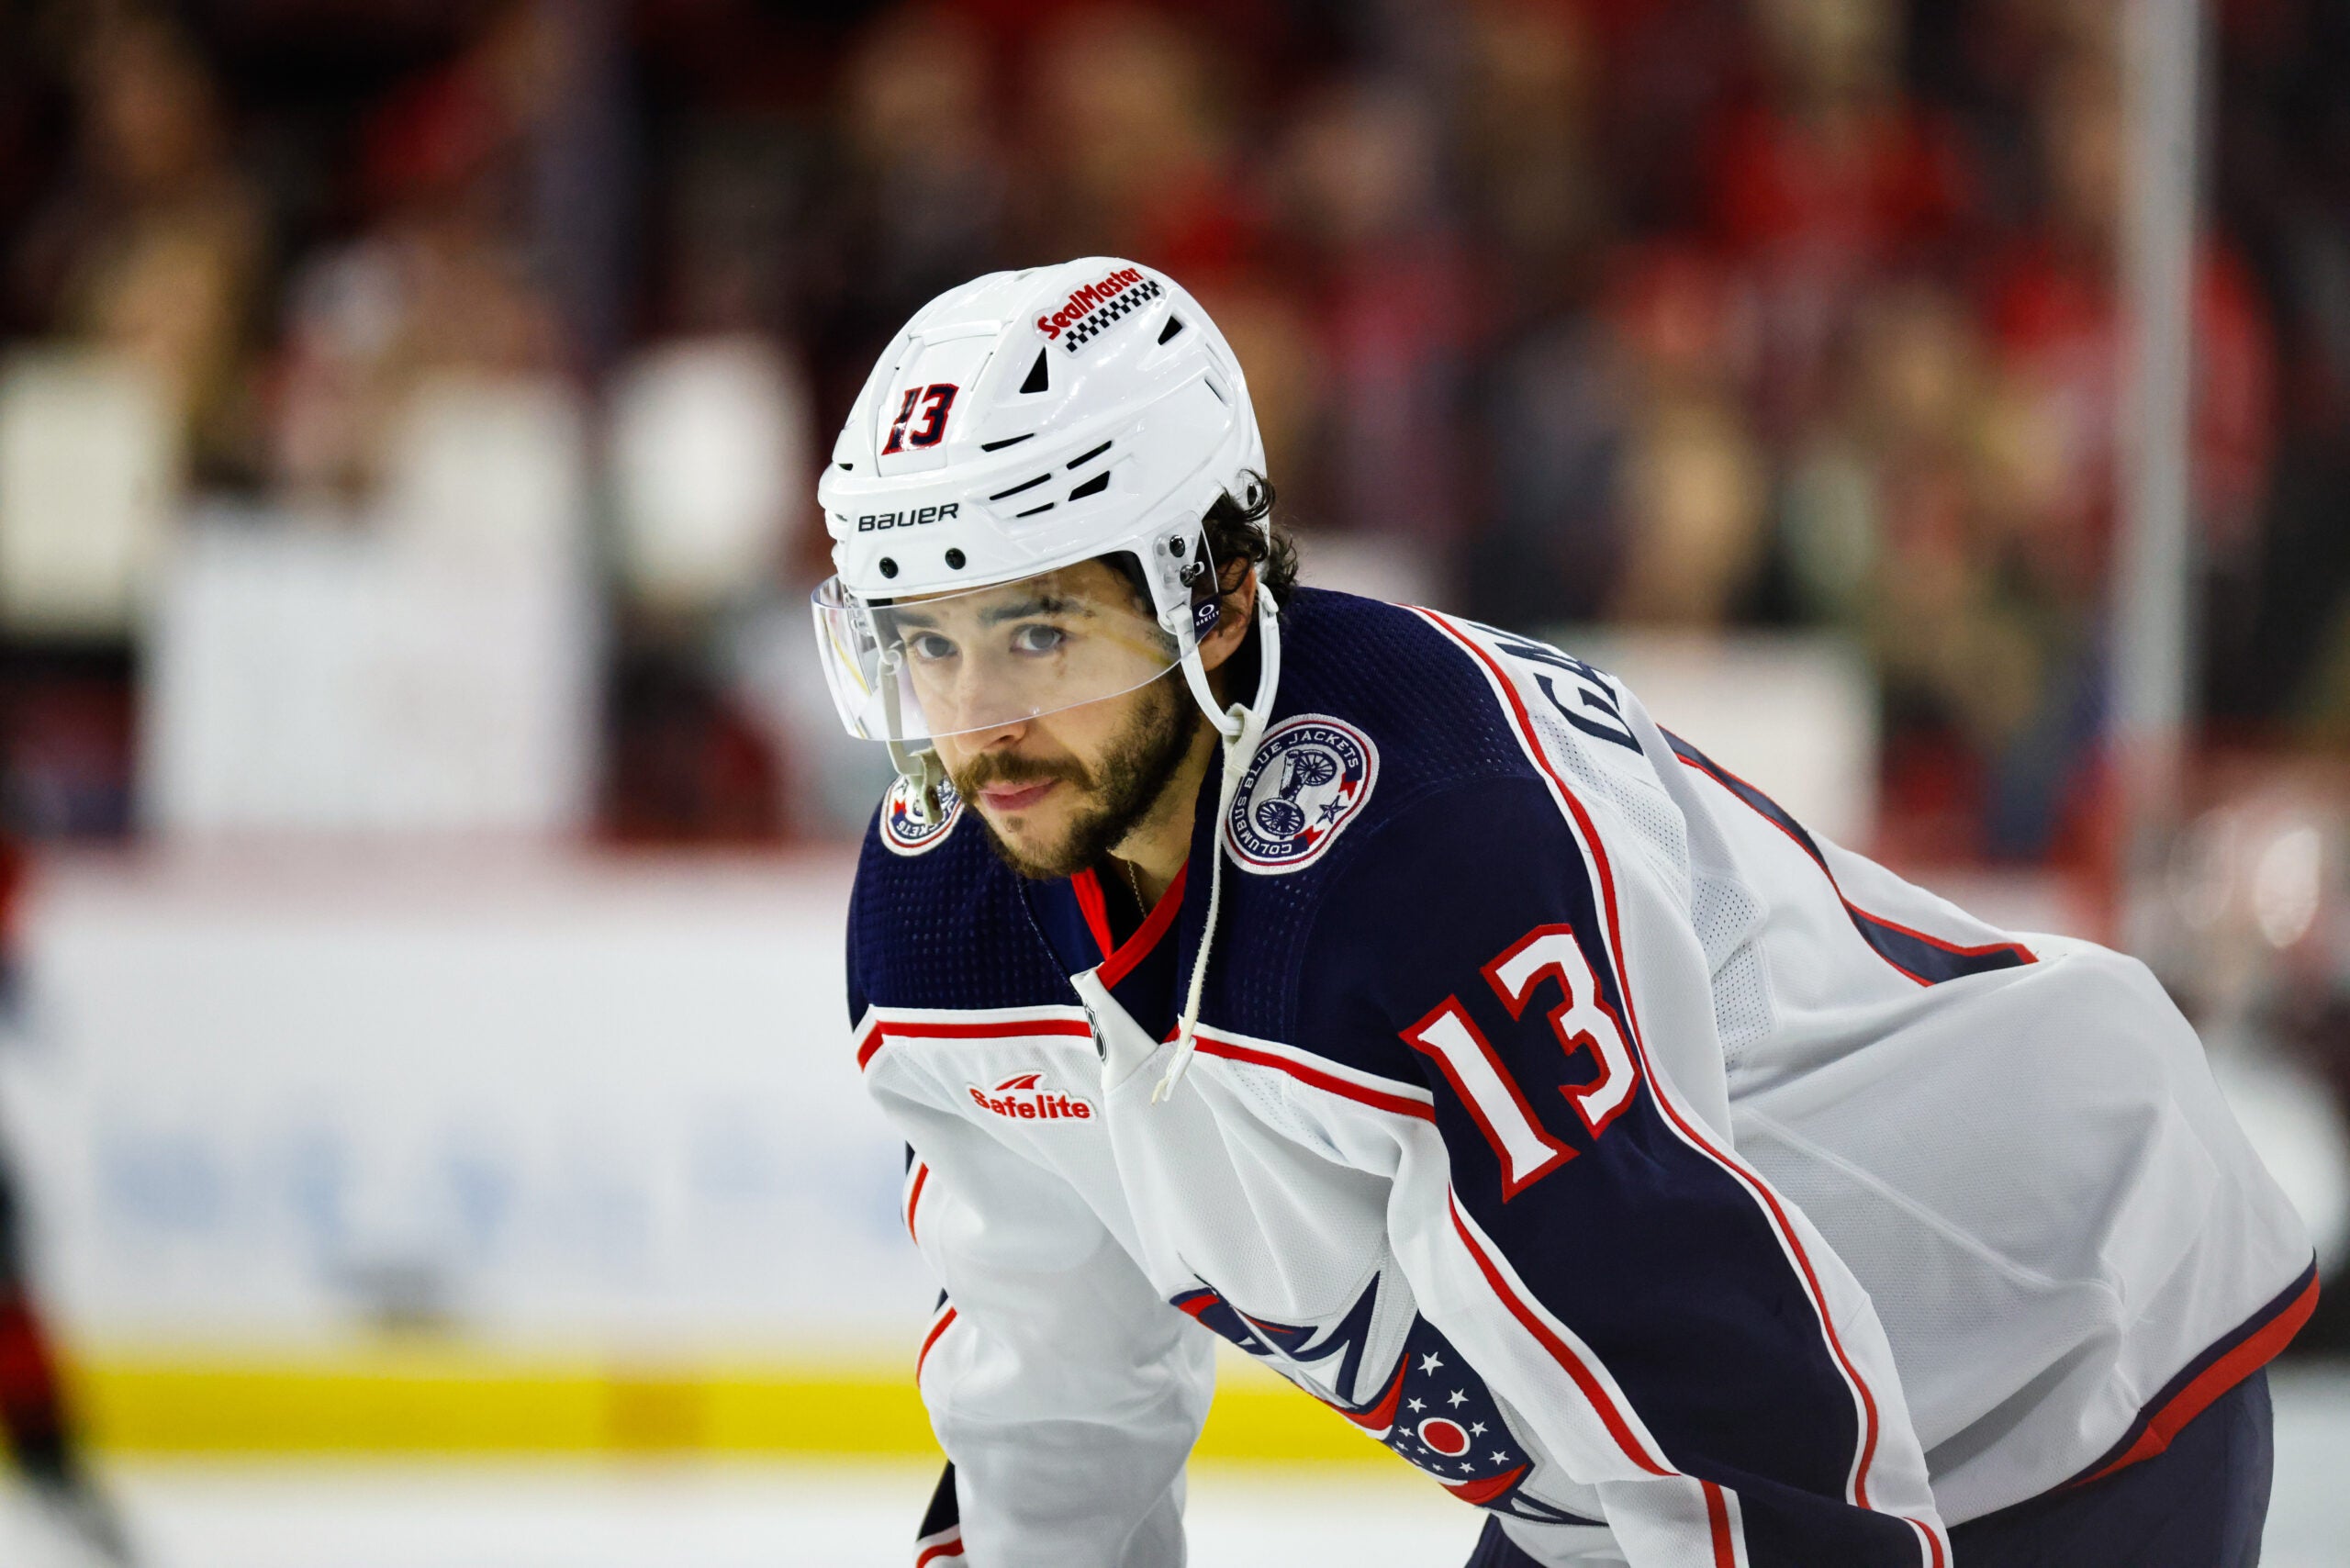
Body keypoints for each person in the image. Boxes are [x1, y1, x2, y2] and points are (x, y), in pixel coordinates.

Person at [812, 258, 2313, 1568]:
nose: (980, 724)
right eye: (924, 641)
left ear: (1210, 590)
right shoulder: (946, 912)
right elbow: (1052, 1388)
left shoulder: (1426, 850)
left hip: (2049, 1339)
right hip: (1660, 1453)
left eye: (1037, 630)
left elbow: (1713, 1376)